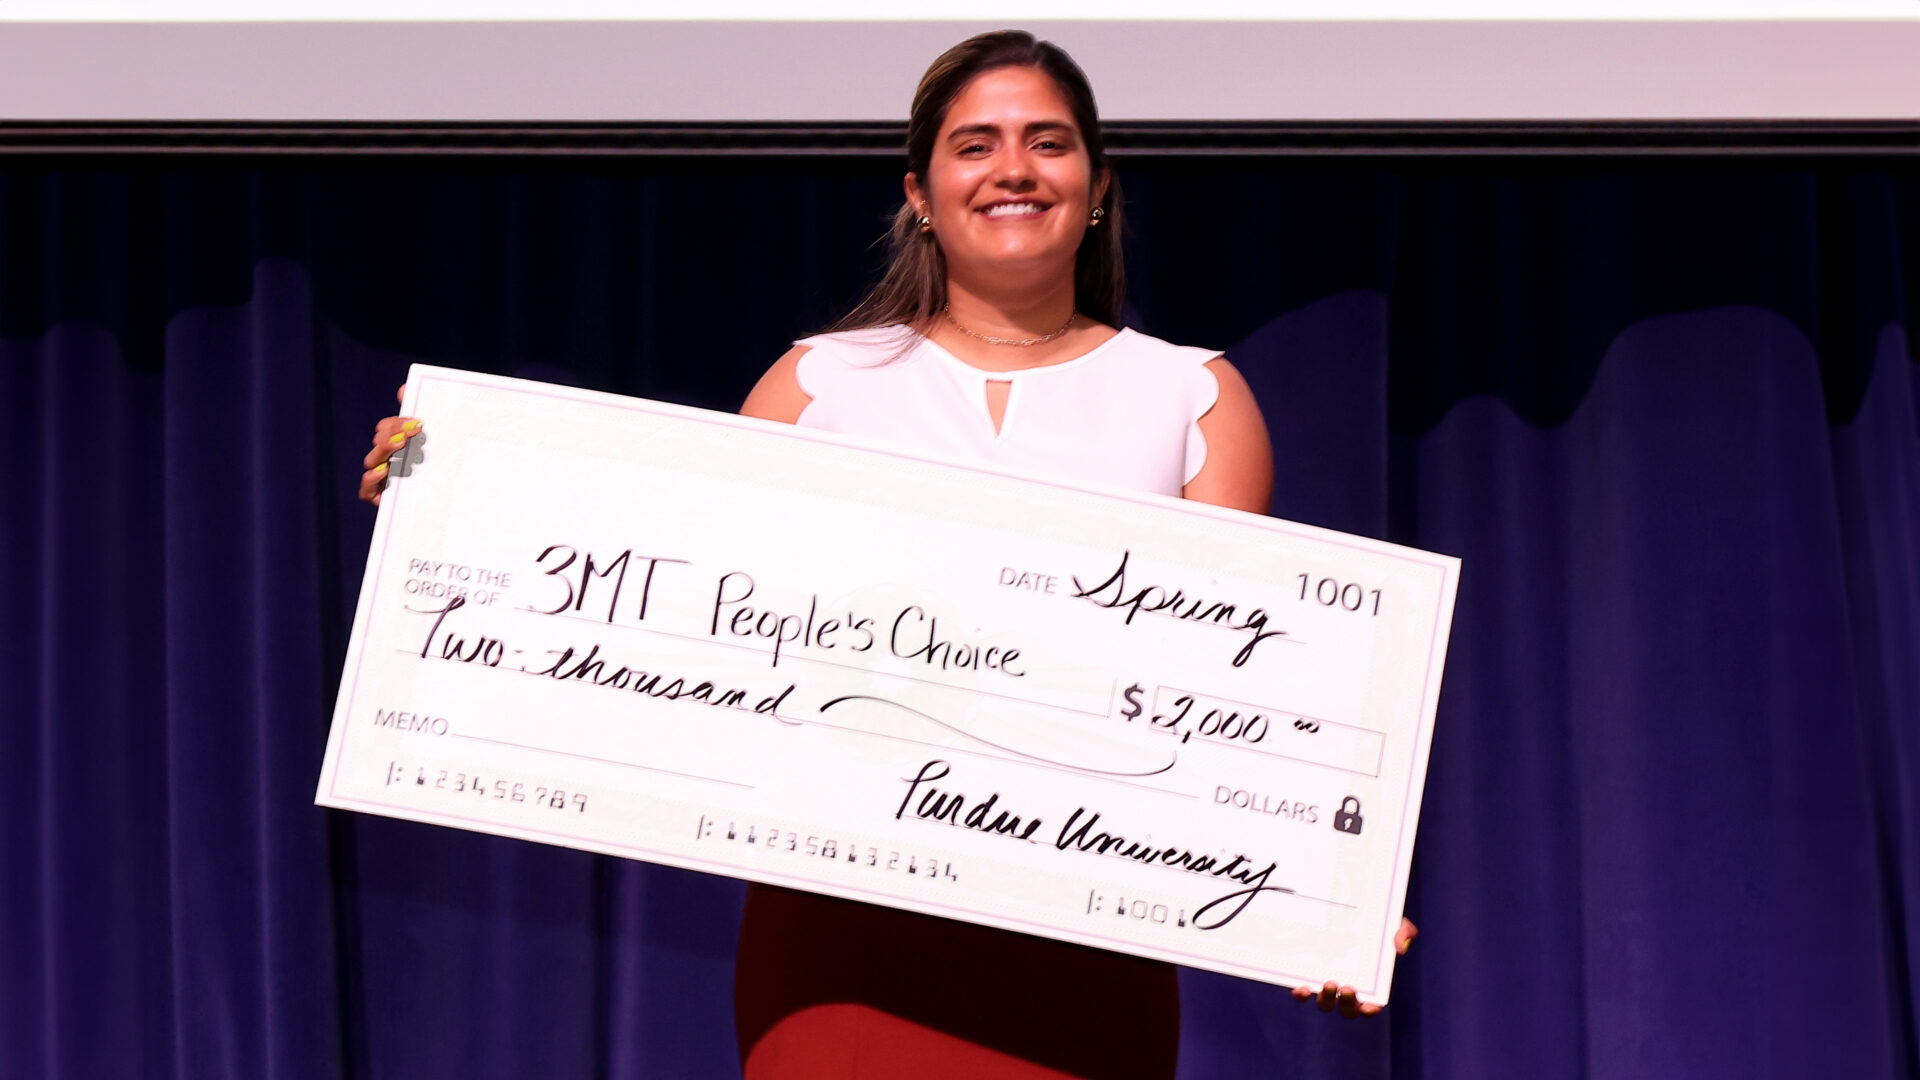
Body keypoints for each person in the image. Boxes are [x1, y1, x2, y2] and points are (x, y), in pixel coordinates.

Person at [361, 30, 1414, 1078]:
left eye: (1047, 143)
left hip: (1084, 946)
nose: (1013, 169)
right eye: (976, 145)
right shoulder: (819, 383)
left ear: (1096, 187)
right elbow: (666, 612)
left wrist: (1328, 900)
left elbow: (1236, 707)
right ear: (921, 190)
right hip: (838, 942)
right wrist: (442, 493)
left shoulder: (1194, 397)